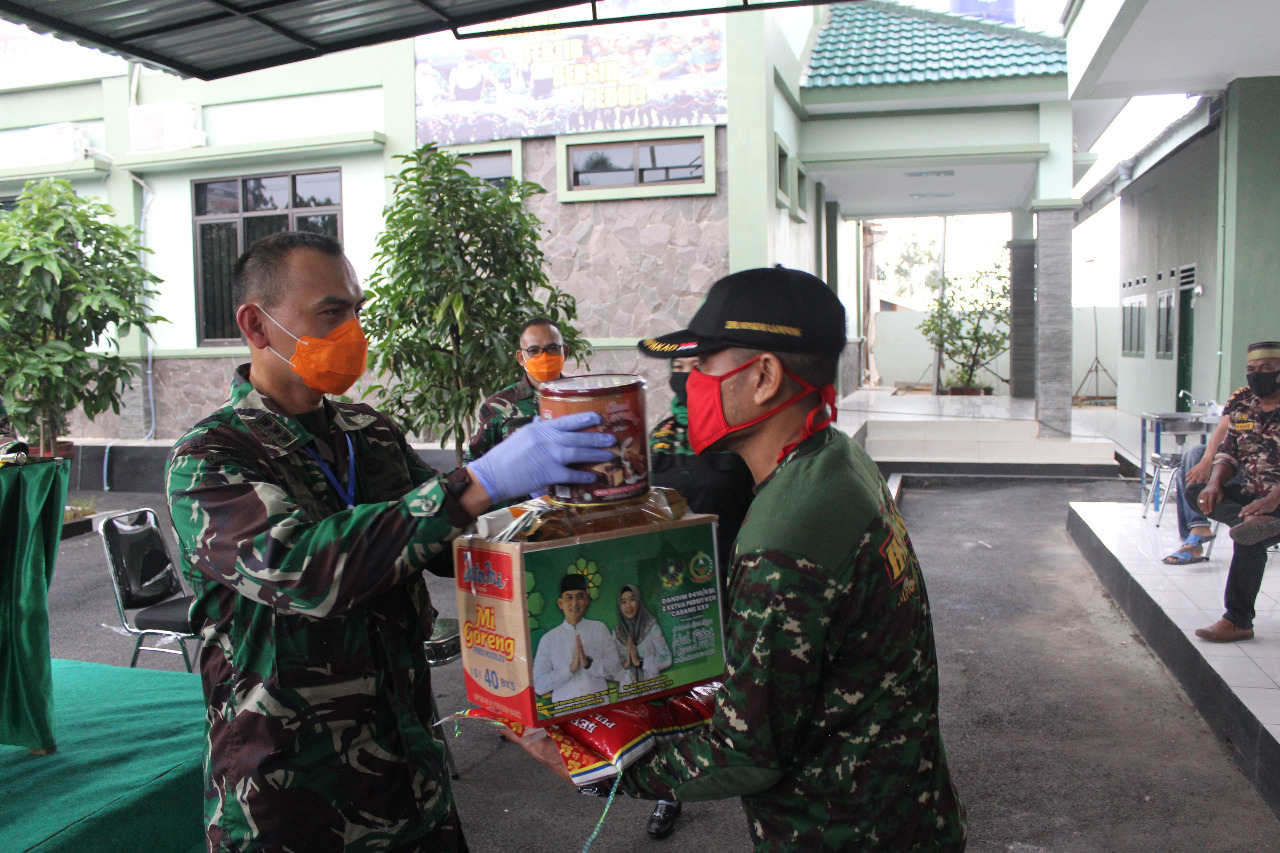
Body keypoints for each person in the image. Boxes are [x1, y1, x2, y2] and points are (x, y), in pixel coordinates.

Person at [165, 231, 616, 853]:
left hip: (409, 770)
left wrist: (564, 519)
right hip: (291, 793)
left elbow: (444, 544)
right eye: (331, 313)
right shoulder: (211, 456)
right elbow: (301, 571)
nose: (354, 329)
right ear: (257, 325)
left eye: (356, 309)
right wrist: (478, 483)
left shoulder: (366, 432)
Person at [525, 267, 967, 851]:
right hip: (907, 811)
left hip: (842, 832)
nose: (689, 385)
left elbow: (746, 754)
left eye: (704, 366)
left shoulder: (783, 538)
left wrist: (598, 769)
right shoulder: (836, 461)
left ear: (763, 377)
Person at [1187, 340, 1280, 643]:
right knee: (1197, 492)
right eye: (1251, 369)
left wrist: (1271, 500)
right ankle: (1249, 522)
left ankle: (1237, 620)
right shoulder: (1244, 406)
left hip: (1276, 498)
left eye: (1267, 369)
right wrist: (1214, 483)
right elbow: (1228, 454)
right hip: (1253, 495)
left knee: (1248, 542)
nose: (1256, 375)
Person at [646, 355, 755, 571]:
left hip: (732, 568)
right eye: (678, 367)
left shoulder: (736, 432)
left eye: (696, 366)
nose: (686, 375)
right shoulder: (662, 435)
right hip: (674, 570)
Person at [466, 317, 569, 461]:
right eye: (534, 350)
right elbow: (473, 464)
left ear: (565, 351)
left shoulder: (584, 398)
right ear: (521, 358)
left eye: (552, 348)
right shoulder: (496, 407)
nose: (544, 356)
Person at [1162, 396, 1246, 564]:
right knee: (1194, 455)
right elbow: (1224, 426)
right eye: (1252, 368)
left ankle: (1194, 540)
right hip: (1234, 464)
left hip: (1260, 472)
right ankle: (1198, 527)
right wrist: (1207, 462)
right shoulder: (1243, 397)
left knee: (1183, 473)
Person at [532, 573, 623, 712]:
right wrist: (569, 669)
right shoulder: (549, 639)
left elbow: (616, 668)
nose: (574, 603)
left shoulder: (599, 628)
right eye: (569, 597)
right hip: (566, 715)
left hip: (600, 711)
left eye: (580, 596)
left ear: (587, 600)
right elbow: (539, 686)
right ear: (560, 603)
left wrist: (589, 664)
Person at [615, 584, 672, 690]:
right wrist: (626, 664)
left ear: (638, 600)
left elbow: (666, 658)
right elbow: (610, 672)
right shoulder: (617, 634)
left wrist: (641, 662)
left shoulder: (651, 627)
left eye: (632, 599)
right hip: (629, 694)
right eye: (623, 602)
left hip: (652, 690)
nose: (628, 606)